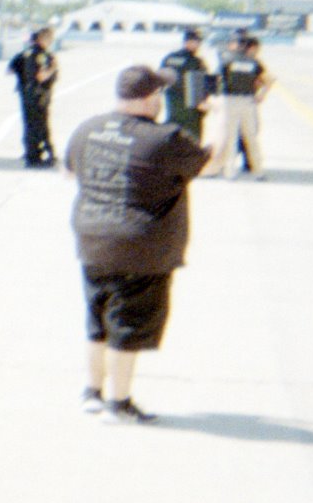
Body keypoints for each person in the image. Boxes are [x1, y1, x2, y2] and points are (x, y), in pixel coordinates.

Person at [65, 66, 212, 423]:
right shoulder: (164, 138)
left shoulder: (88, 128)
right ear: (150, 98)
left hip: (92, 237)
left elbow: (70, 171)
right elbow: (212, 162)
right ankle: (119, 403)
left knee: (97, 318)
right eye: (159, 94)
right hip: (140, 247)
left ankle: (92, 392)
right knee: (128, 325)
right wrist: (219, 117)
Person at [206, 35, 272, 179]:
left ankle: (230, 172)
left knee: (230, 138)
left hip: (229, 101)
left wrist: (210, 100)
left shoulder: (227, 59)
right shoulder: (254, 62)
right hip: (248, 101)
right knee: (251, 137)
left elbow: (215, 79)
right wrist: (261, 94)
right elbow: (268, 79)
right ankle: (258, 171)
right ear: (250, 48)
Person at [6, 27, 58, 167]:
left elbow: (9, 70)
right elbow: (41, 76)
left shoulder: (24, 53)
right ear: (42, 38)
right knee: (40, 125)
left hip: (26, 94)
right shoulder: (44, 55)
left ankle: (30, 153)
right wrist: (52, 68)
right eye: (50, 39)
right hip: (38, 95)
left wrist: (23, 78)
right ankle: (36, 157)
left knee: (29, 125)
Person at [158, 29, 211, 142]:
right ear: (187, 42)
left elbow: (160, 79)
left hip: (173, 105)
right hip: (191, 107)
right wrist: (204, 102)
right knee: (192, 138)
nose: (198, 45)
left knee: (173, 135)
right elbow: (204, 84)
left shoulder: (169, 58)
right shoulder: (196, 62)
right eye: (196, 42)